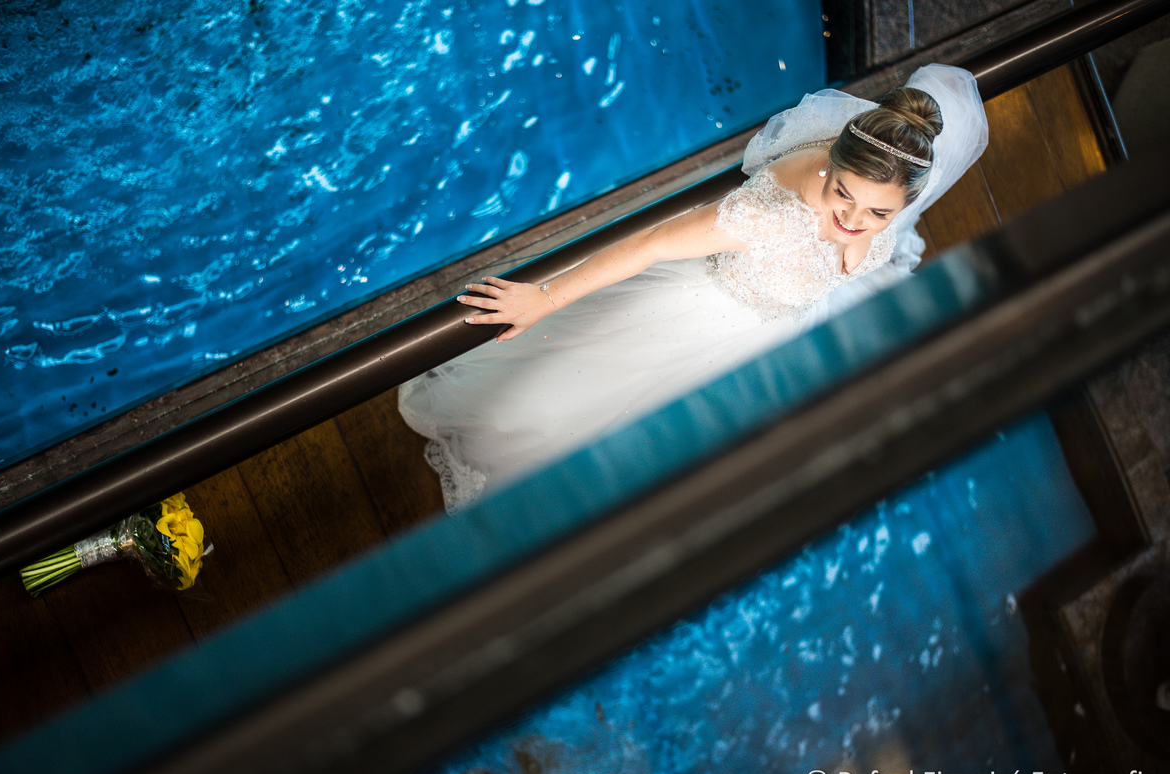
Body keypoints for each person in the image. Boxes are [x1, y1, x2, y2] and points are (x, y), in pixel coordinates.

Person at [399, 64, 989, 510]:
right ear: (827, 167)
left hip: (763, 343)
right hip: (703, 313)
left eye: (879, 214)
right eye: (843, 195)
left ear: (904, 205)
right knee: (548, 413)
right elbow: (653, 244)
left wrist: (859, 241)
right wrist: (545, 297)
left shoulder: (878, 201)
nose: (855, 222)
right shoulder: (772, 212)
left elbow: (860, 235)